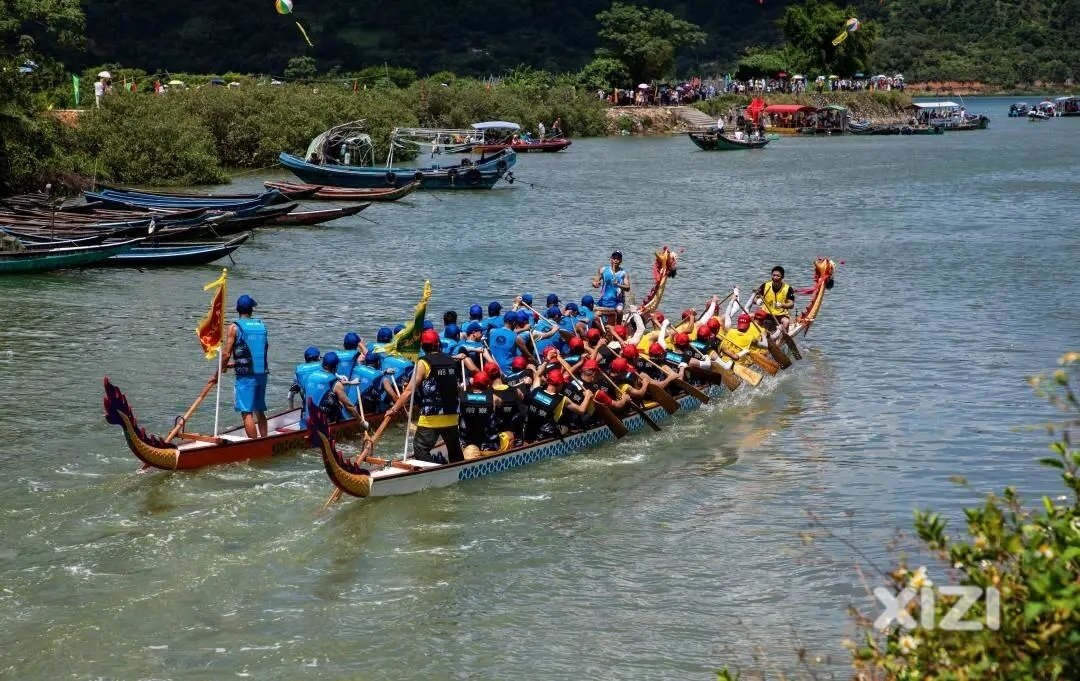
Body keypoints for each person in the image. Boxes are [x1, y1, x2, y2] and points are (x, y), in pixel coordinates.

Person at [380, 329, 463, 464]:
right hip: (453, 415)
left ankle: (433, 473)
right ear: (438, 344)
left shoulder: (423, 363)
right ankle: (458, 469)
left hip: (431, 417)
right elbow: (457, 387)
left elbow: (409, 391)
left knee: (420, 448)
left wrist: (394, 409)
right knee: (454, 450)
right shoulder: (452, 360)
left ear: (423, 347)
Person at [221, 294, 268, 438]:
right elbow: (263, 349)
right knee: (259, 409)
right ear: (251, 310)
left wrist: (223, 367)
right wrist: (236, 363)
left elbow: (226, 354)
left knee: (246, 412)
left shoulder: (235, 327)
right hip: (262, 373)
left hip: (245, 376)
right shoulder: (261, 325)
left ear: (237, 309)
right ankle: (265, 440)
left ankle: (254, 446)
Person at [301, 351, 362, 427]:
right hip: (322, 426)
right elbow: (349, 407)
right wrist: (361, 422)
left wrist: (351, 383)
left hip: (305, 421)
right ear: (336, 366)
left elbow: (326, 385)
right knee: (340, 403)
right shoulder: (336, 384)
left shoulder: (310, 376)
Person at [591, 250, 631, 321]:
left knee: (619, 311)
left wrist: (618, 285)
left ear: (621, 260)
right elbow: (594, 281)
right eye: (614, 258)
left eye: (618, 259)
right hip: (603, 301)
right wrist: (596, 284)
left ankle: (618, 327)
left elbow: (628, 288)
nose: (615, 260)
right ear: (611, 259)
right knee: (594, 313)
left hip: (617, 302)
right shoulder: (603, 270)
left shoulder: (623, 273)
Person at [755, 265, 795, 333]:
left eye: (778, 276)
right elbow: (755, 297)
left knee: (786, 322)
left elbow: (791, 304)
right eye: (773, 275)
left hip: (781, 315)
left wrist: (782, 305)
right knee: (752, 316)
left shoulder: (788, 288)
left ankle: (778, 342)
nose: (775, 277)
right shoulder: (765, 285)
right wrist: (757, 301)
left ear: (782, 277)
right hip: (766, 313)